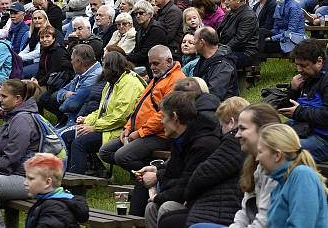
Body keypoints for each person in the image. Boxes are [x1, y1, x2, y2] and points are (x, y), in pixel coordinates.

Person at [138, 91, 221, 228]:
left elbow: (186, 186)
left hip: (207, 205)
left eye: (163, 116)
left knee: (167, 207)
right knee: (151, 207)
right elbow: (171, 177)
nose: (161, 121)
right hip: (187, 199)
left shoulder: (204, 144)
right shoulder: (180, 139)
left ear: (175, 117)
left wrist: (157, 196)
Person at [99, 45, 184, 172]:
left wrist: (140, 133)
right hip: (142, 131)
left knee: (122, 156)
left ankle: (154, 175)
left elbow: (165, 115)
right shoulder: (159, 78)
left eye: (156, 63)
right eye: (150, 64)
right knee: (105, 151)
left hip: (160, 135)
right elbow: (139, 107)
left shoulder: (176, 80)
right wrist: (128, 128)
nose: (152, 67)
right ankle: (148, 168)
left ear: (169, 61)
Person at [65, 52, 144, 174]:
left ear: (112, 67)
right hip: (107, 127)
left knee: (79, 143)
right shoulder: (111, 83)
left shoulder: (130, 84)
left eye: (105, 65)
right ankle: (78, 173)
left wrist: (94, 127)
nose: (102, 69)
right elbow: (102, 110)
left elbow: (120, 117)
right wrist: (87, 119)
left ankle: (78, 182)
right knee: (68, 136)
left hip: (122, 130)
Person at [279, 39, 328, 163]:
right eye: (297, 65)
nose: (299, 69)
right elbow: (287, 107)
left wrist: (299, 112)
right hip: (305, 129)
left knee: (279, 151)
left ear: (319, 61)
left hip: (327, 139)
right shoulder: (310, 76)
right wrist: (293, 90)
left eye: (303, 65)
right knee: (266, 138)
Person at [0, 80, 42, 228]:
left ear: (18, 99)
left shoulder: (22, 120)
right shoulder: (14, 116)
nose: (0, 99)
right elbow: (5, 154)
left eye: (4, 96)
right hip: (15, 173)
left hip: (28, 179)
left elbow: (12, 156)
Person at [257, 124, 328, 228]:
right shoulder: (280, 183)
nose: (257, 158)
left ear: (277, 155)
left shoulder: (302, 176)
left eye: (260, 152)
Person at [23, 153, 89, 228]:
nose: (25, 183)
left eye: (30, 178)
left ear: (47, 182)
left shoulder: (55, 210)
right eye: (26, 177)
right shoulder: (48, 201)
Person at [216, 0, 259, 68]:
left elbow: (240, 39)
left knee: (215, 58)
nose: (225, 2)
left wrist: (222, 50)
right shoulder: (232, 12)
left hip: (244, 53)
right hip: (230, 49)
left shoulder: (248, 16)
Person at [193, 27, 238, 100]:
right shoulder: (204, 59)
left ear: (202, 42)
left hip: (221, 108)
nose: (194, 44)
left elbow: (214, 95)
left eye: (194, 40)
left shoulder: (223, 65)